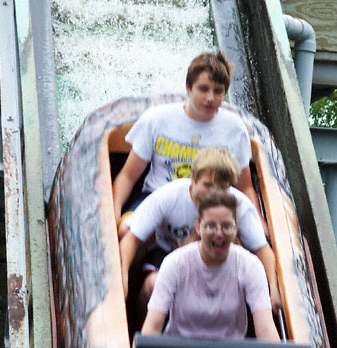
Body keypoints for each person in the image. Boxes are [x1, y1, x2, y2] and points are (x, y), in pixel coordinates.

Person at [113, 50, 264, 237]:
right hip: (155, 197)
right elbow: (128, 176)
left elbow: (245, 186)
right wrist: (114, 214)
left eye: (218, 91)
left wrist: (260, 223)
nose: (210, 98)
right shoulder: (157, 119)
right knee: (126, 230)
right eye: (203, 89)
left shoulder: (235, 129)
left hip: (211, 204)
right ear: (188, 88)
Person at [120, 147, 281, 311]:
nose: (213, 193)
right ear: (193, 179)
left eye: (221, 187)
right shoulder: (169, 196)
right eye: (207, 185)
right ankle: (140, 328)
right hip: (167, 252)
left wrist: (273, 289)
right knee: (153, 285)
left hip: (214, 261)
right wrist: (123, 277)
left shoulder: (239, 205)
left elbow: (263, 250)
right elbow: (132, 238)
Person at [142, 190, 279, 342]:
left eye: (227, 226)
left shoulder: (250, 265)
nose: (219, 234)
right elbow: (152, 327)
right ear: (198, 227)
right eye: (210, 226)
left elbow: (266, 329)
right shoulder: (175, 263)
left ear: (236, 228)